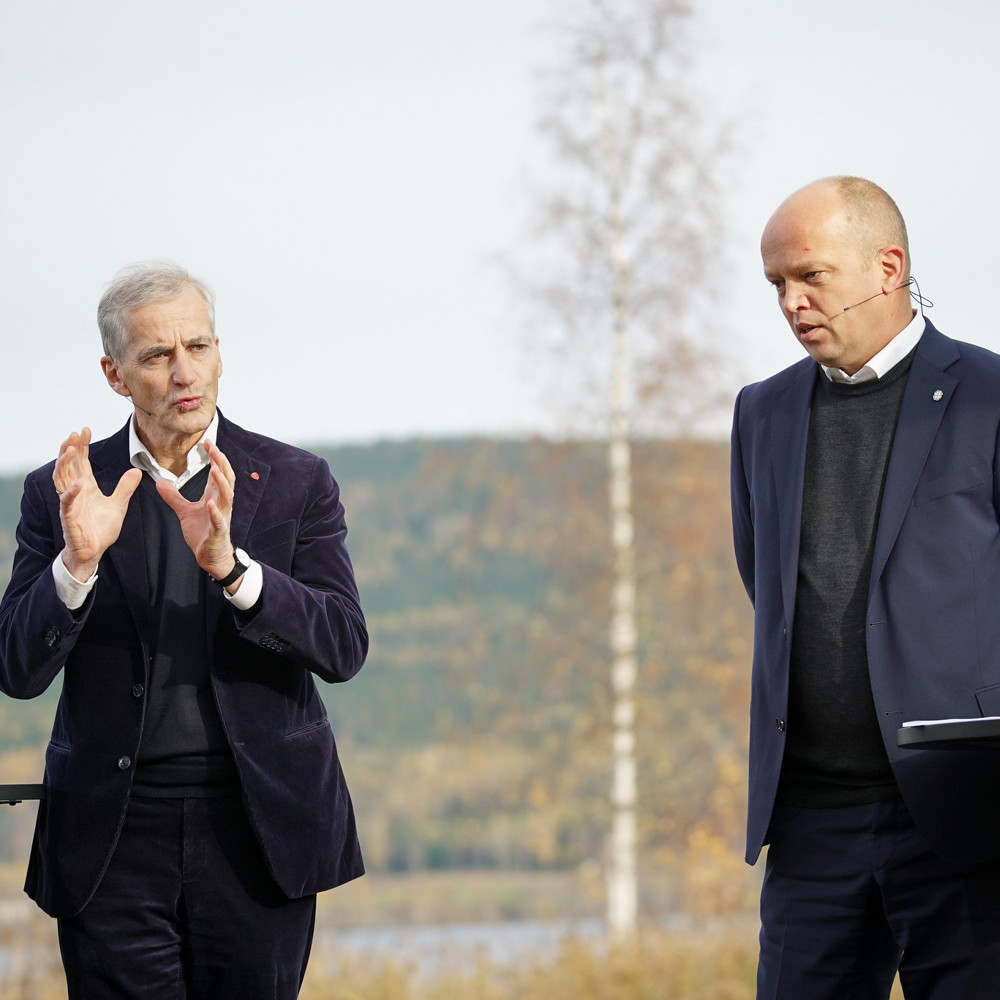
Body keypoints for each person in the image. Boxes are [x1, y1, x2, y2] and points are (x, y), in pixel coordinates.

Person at [0, 261, 368, 999]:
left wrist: (235, 570)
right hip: (111, 836)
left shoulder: (296, 480)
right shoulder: (64, 491)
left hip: (258, 832)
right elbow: (17, 667)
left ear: (220, 351)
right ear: (115, 373)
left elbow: (341, 645)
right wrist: (76, 564)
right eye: (157, 356)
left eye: (197, 347)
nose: (183, 372)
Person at [730, 176, 1000, 999]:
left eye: (811, 275)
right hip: (811, 823)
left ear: (887, 266)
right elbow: (766, 585)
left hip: (966, 818)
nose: (791, 301)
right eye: (777, 282)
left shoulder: (990, 397)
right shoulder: (762, 414)